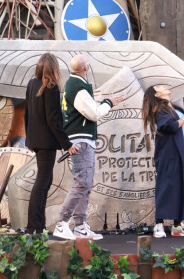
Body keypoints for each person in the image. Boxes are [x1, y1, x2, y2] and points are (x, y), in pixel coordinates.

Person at [53, 54, 124, 240]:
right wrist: (109, 103)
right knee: (82, 182)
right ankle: (62, 223)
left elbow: (88, 110)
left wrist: (103, 103)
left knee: (85, 183)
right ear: (85, 68)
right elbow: (93, 113)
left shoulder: (74, 85)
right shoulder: (77, 86)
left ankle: (80, 226)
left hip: (82, 139)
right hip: (81, 140)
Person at [142, 85, 184, 238]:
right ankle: (159, 225)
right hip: (169, 155)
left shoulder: (175, 107)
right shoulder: (160, 110)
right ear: (158, 94)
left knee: (182, 188)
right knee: (166, 187)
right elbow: (170, 126)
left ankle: (177, 225)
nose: (165, 86)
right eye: (160, 87)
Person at [24, 53, 78, 234]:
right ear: (54, 68)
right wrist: (67, 144)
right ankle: (35, 227)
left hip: (37, 141)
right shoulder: (52, 87)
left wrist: (29, 139)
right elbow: (53, 120)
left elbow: (27, 114)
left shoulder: (32, 84)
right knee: (42, 182)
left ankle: (37, 225)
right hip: (46, 142)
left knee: (43, 182)